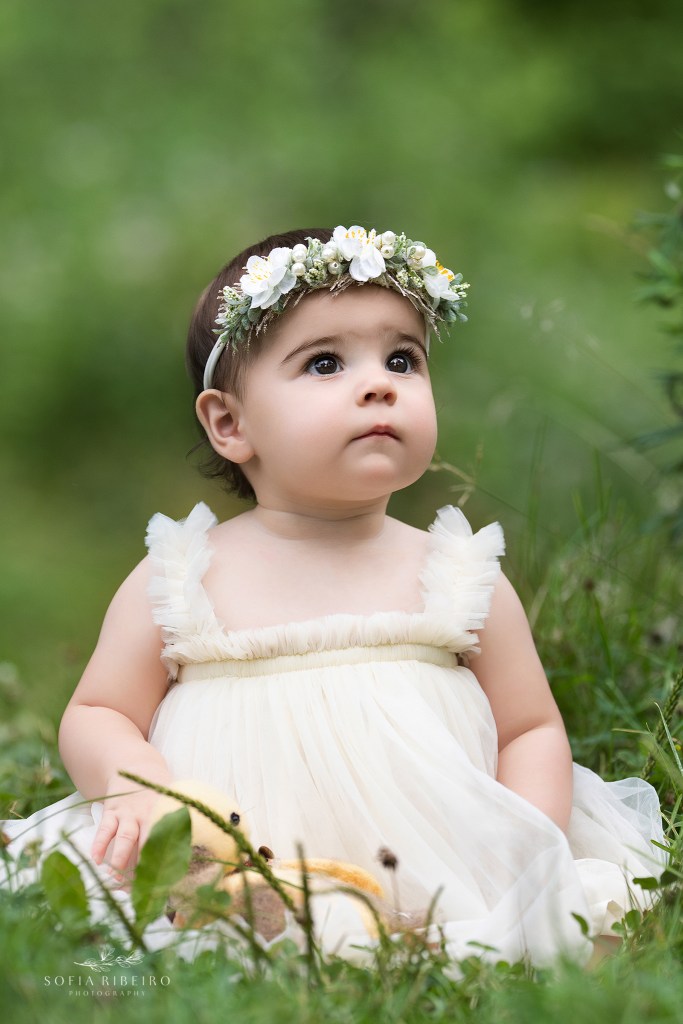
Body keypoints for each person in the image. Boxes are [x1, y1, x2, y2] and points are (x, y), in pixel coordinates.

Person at [2, 225, 666, 965]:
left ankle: (419, 927)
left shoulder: (456, 575)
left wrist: (523, 846)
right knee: (130, 930)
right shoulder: (183, 576)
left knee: (553, 943)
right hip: (235, 857)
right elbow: (99, 712)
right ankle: (256, 915)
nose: (380, 383)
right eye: (324, 363)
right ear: (230, 423)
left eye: (402, 359)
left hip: (437, 859)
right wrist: (142, 790)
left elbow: (528, 729)